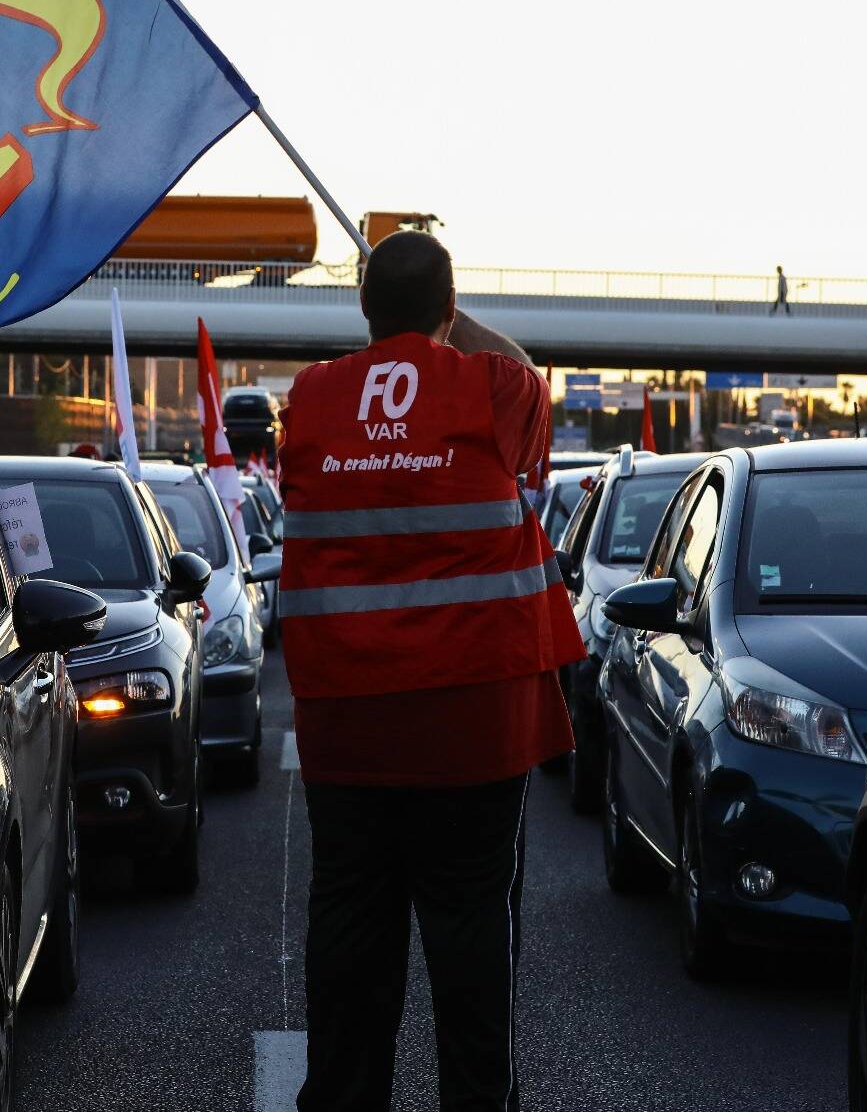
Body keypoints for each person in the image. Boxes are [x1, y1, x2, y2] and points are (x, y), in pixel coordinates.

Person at [278, 231, 582, 1111]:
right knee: (472, 931)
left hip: (346, 724)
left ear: (362, 308)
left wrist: (407, 324)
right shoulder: (493, 387)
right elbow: (525, 369)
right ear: (450, 309)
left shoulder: (312, 397)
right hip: (473, 727)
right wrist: (445, 325)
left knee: (349, 929)